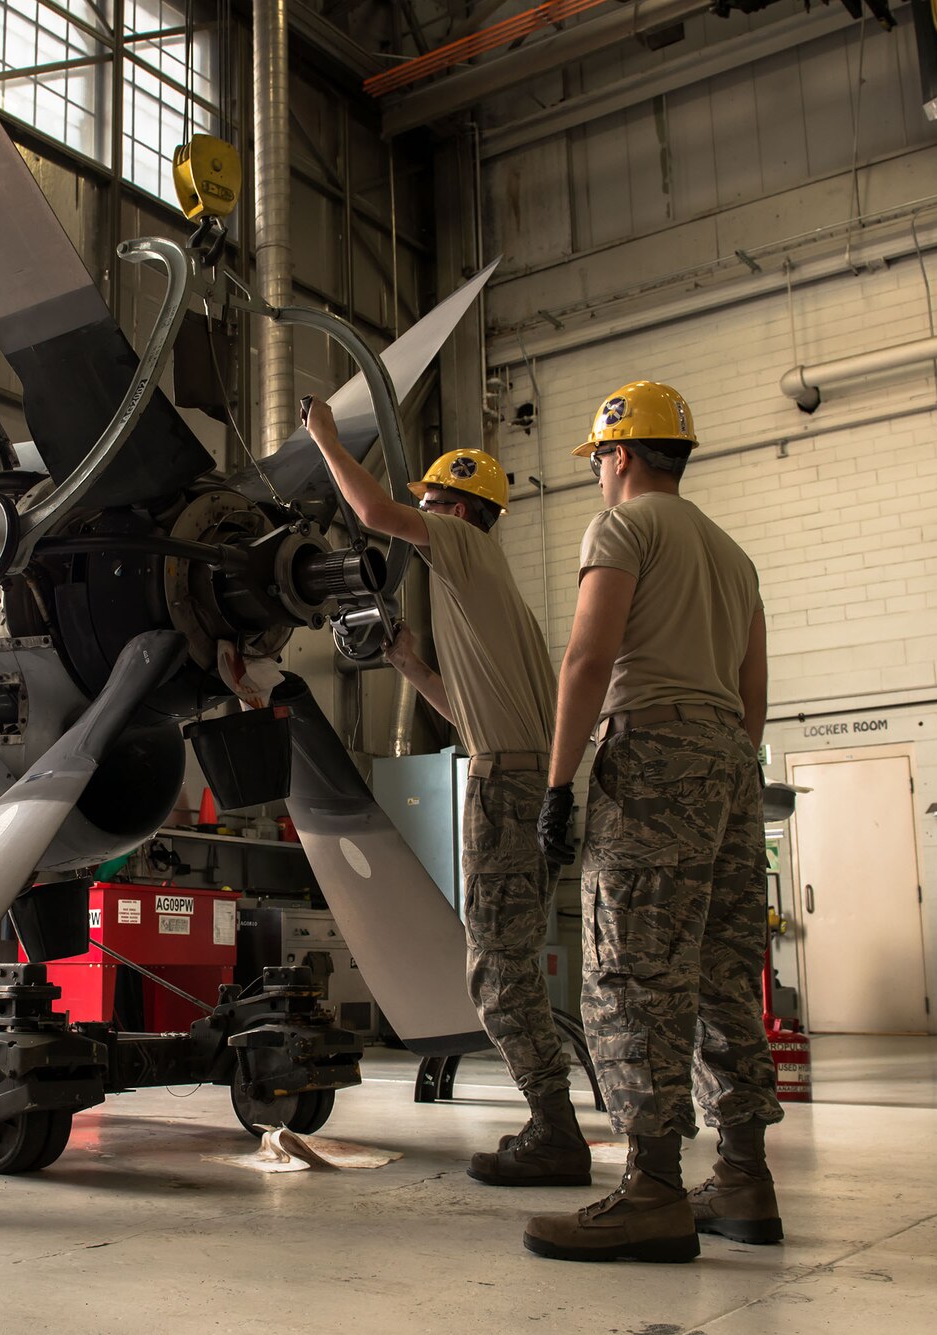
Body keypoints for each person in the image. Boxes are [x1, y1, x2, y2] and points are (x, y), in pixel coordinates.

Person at [522, 380, 781, 1265]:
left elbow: (588, 657)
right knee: (720, 972)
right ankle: (744, 1175)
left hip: (655, 750)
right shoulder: (733, 554)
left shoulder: (623, 528)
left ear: (622, 454)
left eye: (598, 457)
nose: (597, 472)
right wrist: (730, 772)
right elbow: (754, 696)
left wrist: (559, 786)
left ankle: (654, 1188)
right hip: (731, 763)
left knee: (632, 971)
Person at [301, 399, 588, 1188]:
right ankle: (553, 1117)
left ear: (456, 510)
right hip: (532, 777)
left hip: (506, 788)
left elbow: (371, 509)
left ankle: (555, 1127)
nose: (415, 521)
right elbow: (469, 712)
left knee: (494, 969)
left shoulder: (459, 544)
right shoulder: (493, 598)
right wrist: (406, 662)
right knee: (511, 962)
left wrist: (326, 439)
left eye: (427, 504)